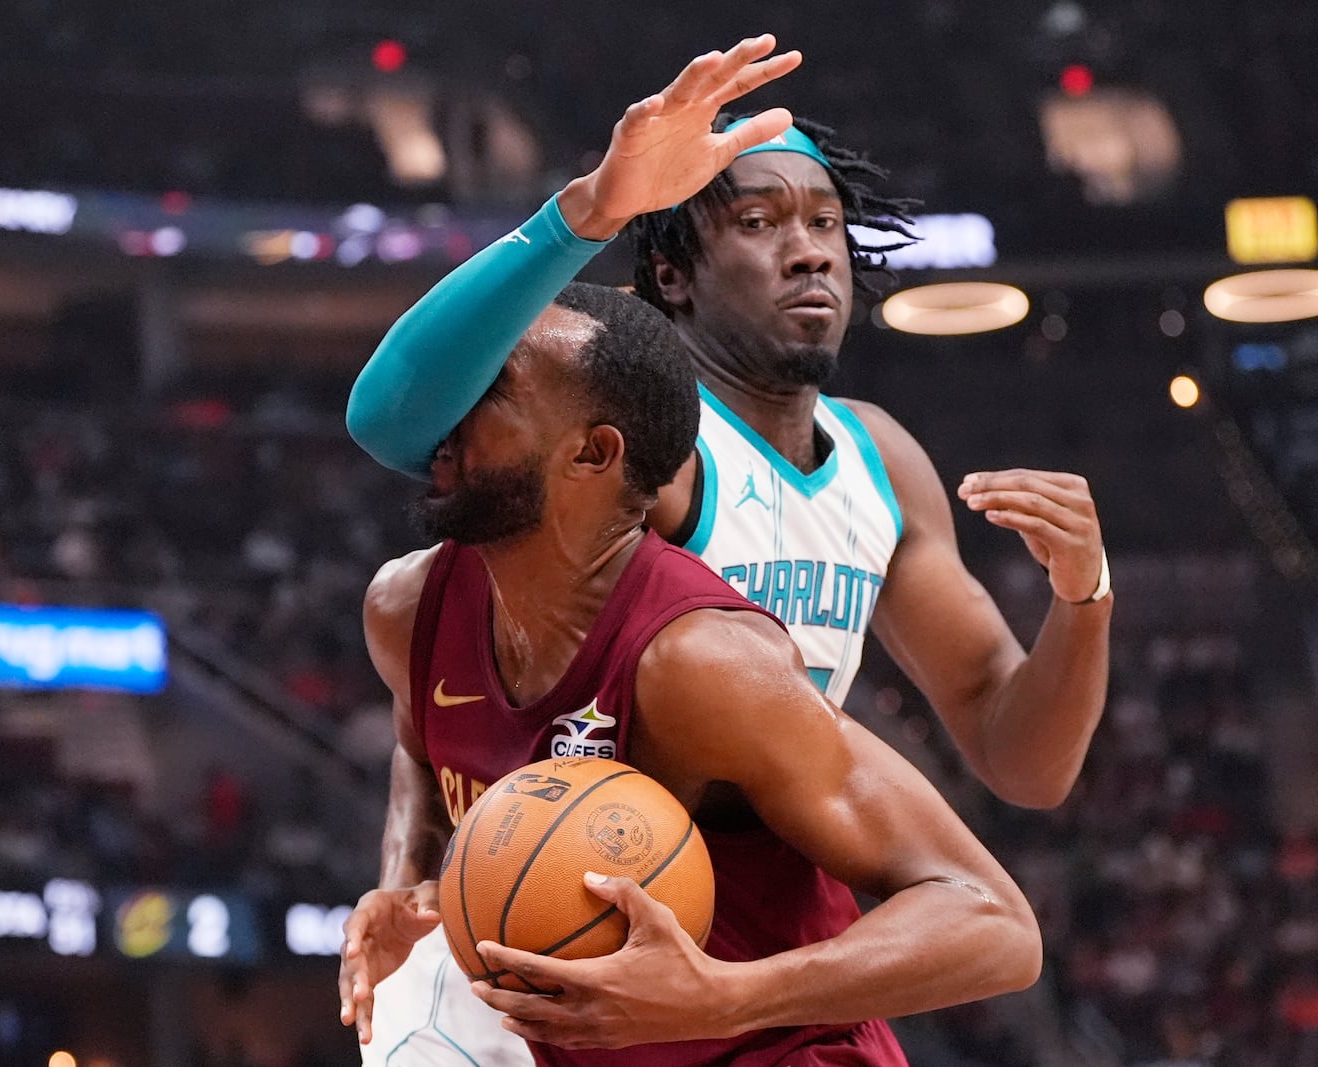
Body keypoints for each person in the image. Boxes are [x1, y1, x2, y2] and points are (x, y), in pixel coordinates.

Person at [344, 34, 1108, 1064]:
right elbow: (403, 427)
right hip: (608, 869)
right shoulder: (642, 436)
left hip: (760, 897)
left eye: (826, 222)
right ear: (669, 271)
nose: (808, 250)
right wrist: (590, 212)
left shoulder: (877, 457)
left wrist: (1083, 596)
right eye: (757, 221)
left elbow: (1022, 759)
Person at [340, 275, 1042, 1064]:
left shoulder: (700, 661)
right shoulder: (406, 610)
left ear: (592, 452)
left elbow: (993, 921)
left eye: (489, 393)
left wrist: (725, 995)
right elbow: (425, 748)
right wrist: (403, 879)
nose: (443, 415)